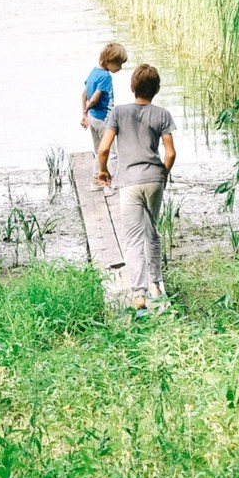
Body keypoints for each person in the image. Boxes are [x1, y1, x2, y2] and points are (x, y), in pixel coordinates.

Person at [95, 64, 174, 310]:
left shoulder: (118, 112)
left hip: (129, 182)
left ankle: (139, 294)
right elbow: (170, 153)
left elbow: (104, 148)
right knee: (152, 232)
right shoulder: (162, 114)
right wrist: (163, 174)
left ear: (132, 87)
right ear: (157, 89)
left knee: (132, 239)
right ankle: (155, 286)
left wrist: (103, 170)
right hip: (153, 179)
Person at [81, 42, 126, 150]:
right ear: (107, 62)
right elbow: (94, 99)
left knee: (98, 150)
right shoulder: (106, 77)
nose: (120, 68)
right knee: (110, 151)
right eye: (118, 64)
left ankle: (98, 162)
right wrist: (88, 107)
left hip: (92, 117)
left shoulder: (93, 72)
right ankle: (111, 162)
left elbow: (84, 94)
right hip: (103, 118)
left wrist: (85, 114)